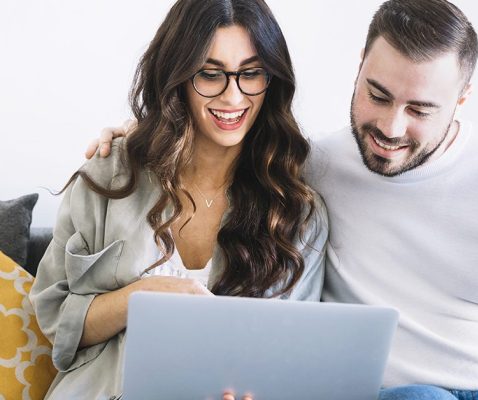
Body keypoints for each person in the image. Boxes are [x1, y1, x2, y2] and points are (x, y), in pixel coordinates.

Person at [90, 0, 478, 399]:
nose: (391, 129)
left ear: (463, 97)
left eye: (420, 108)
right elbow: (215, 136)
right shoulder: (309, 169)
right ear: (359, 68)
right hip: (402, 394)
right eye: (377, 95)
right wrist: (143, 131)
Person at [29, 0, 328, 399]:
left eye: (251, 73)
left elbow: (298, 362)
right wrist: (140, 297)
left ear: (271, 79)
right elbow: (56, 319)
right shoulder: (110, 174)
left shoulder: (298, 212)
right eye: (210, 74)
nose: (233, 96)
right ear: (178, 76)